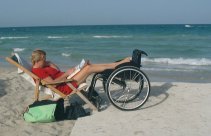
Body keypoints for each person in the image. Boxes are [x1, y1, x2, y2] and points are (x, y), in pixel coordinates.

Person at [31, 50, 131, 95]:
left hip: (68, 78)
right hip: (65, 86)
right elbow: (53, 84)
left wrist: (49, 62)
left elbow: (57, 71)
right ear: (37, 60)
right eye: (44, 59)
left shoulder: (43, 67)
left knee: (87, 66)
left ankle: (116, 64)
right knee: (89, 68)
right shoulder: (38, 71)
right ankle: (117, 65)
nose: (46, 61)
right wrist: (66, 74)